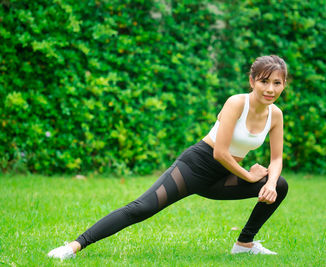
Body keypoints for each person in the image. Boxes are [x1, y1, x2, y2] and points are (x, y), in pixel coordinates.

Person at [47, 55, 289, 259]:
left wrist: (268, 182)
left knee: (279, 184)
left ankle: (244, 244)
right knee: (141, 208)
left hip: (224, 177)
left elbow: (276, 159)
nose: (270, 89)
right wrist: (249, 176)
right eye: (264, 81)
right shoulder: (236, 103)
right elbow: (220, 152)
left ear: (284, 84)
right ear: (252, 81)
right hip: (195, 167)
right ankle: (72, 247)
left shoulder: (275, 115)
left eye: (277, 83)